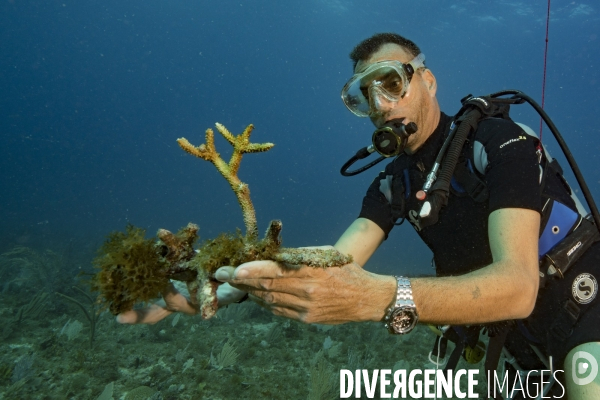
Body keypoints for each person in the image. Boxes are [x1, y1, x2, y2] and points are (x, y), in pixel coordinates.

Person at [118, 33, 600, 398]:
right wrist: (224, 289)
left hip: (587, 311)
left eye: (391, 83)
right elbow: (335, 260)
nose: (380, 106)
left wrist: (381, 297)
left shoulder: (499, 141)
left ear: (427, 80)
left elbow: (516, 288)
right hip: (522, 347)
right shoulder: (395, 183)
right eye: (363, 96)